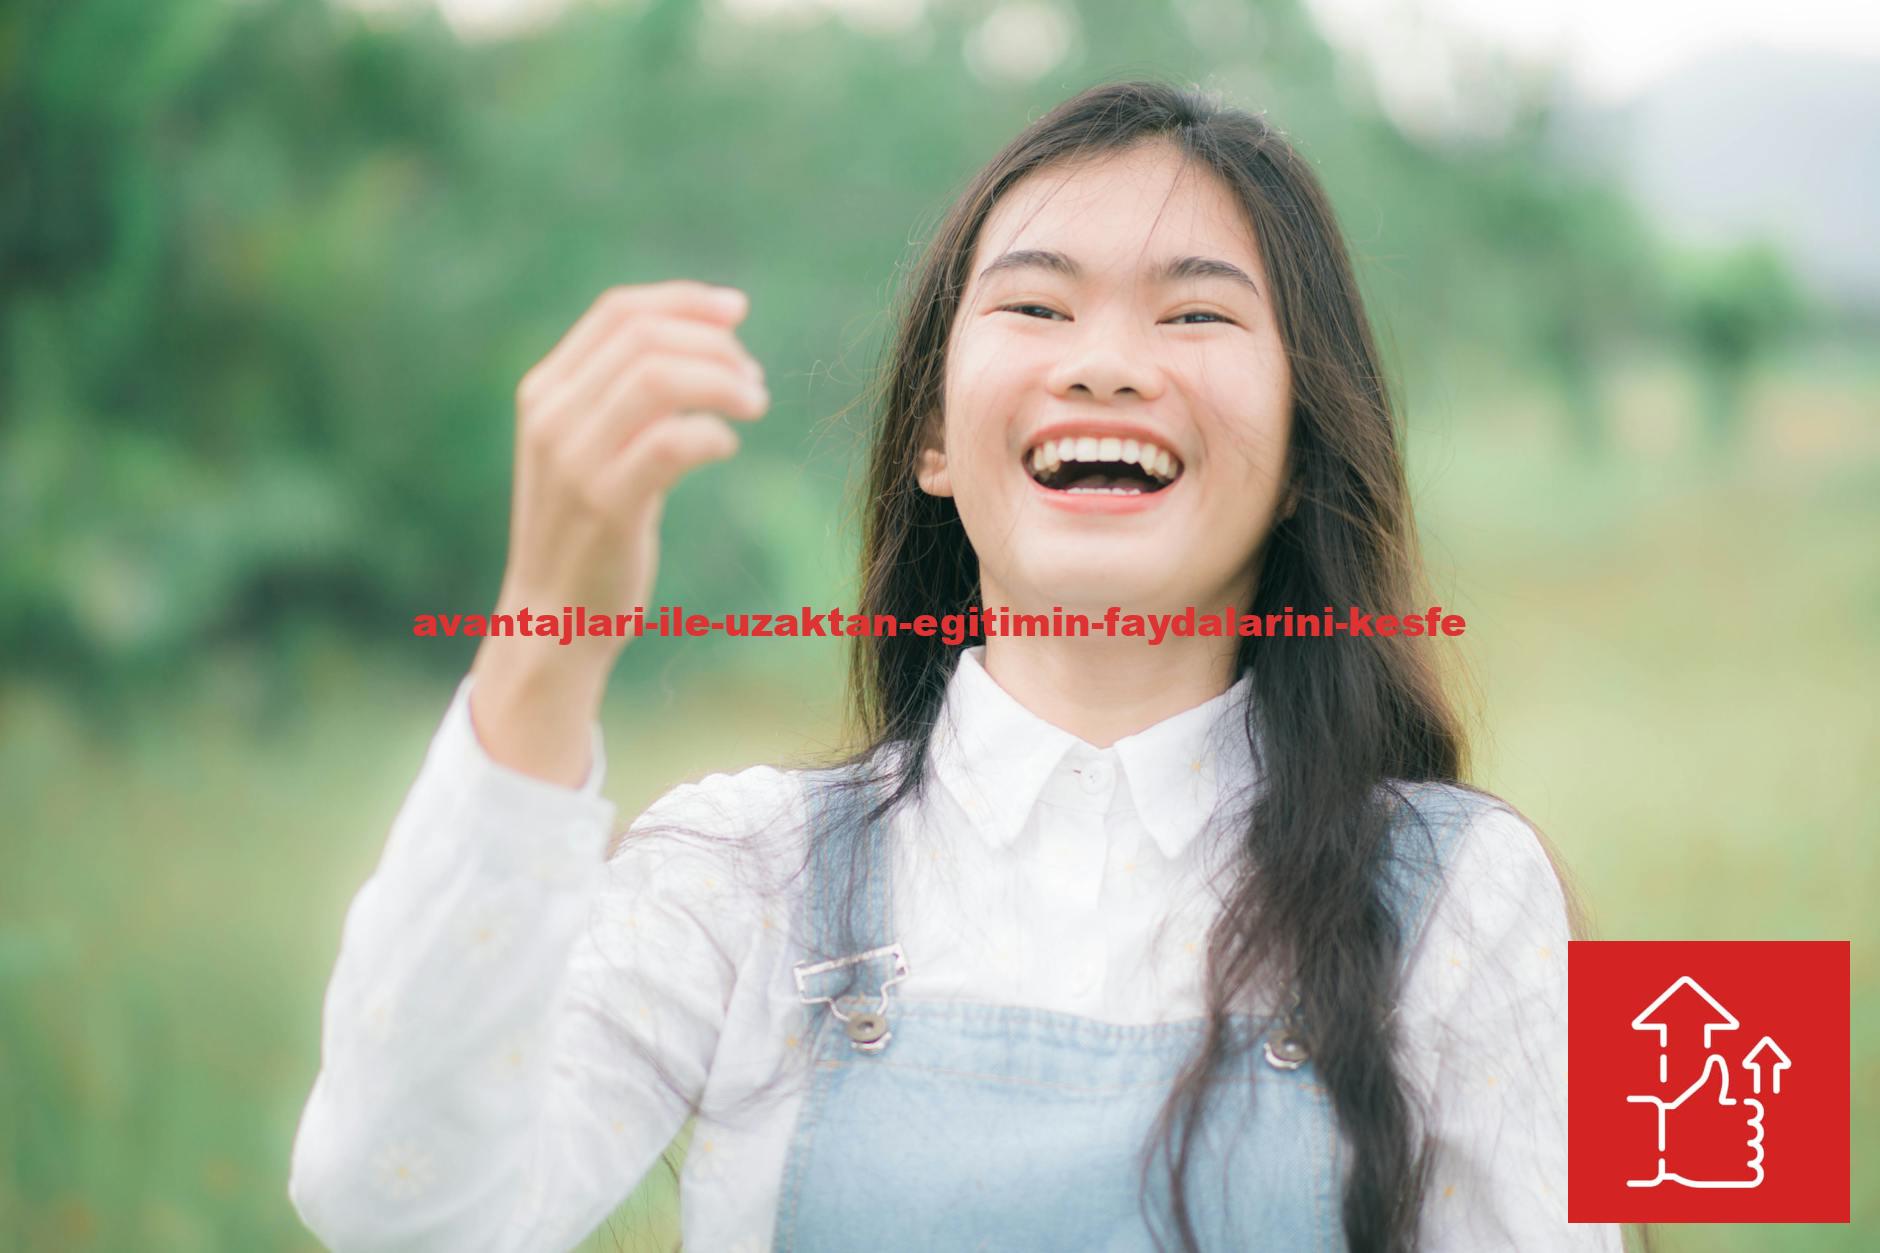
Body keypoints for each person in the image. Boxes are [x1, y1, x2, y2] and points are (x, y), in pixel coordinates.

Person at [288, 80, 1627, 1252]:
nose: (1106, 365)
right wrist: (542, 644)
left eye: (1196, 316)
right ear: (933, 440)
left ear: (1297, 457)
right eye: (1038, 304)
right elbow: (397, 1211)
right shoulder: (738, 873)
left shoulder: (1470, 895)